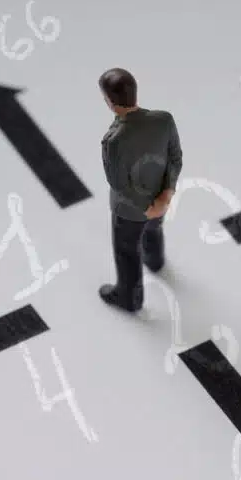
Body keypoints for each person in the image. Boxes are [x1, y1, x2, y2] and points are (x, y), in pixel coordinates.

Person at [97, 67, 183, 312]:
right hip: (161, 197)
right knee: (154, 230)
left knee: (127, 251)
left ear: (110, 102)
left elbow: (119, 184)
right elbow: (175, 158)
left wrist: (147, 207)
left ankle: (129, 298)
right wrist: (165, 195)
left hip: (130, 210)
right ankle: (155, 262)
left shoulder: (113, 141)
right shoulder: (163, 119)